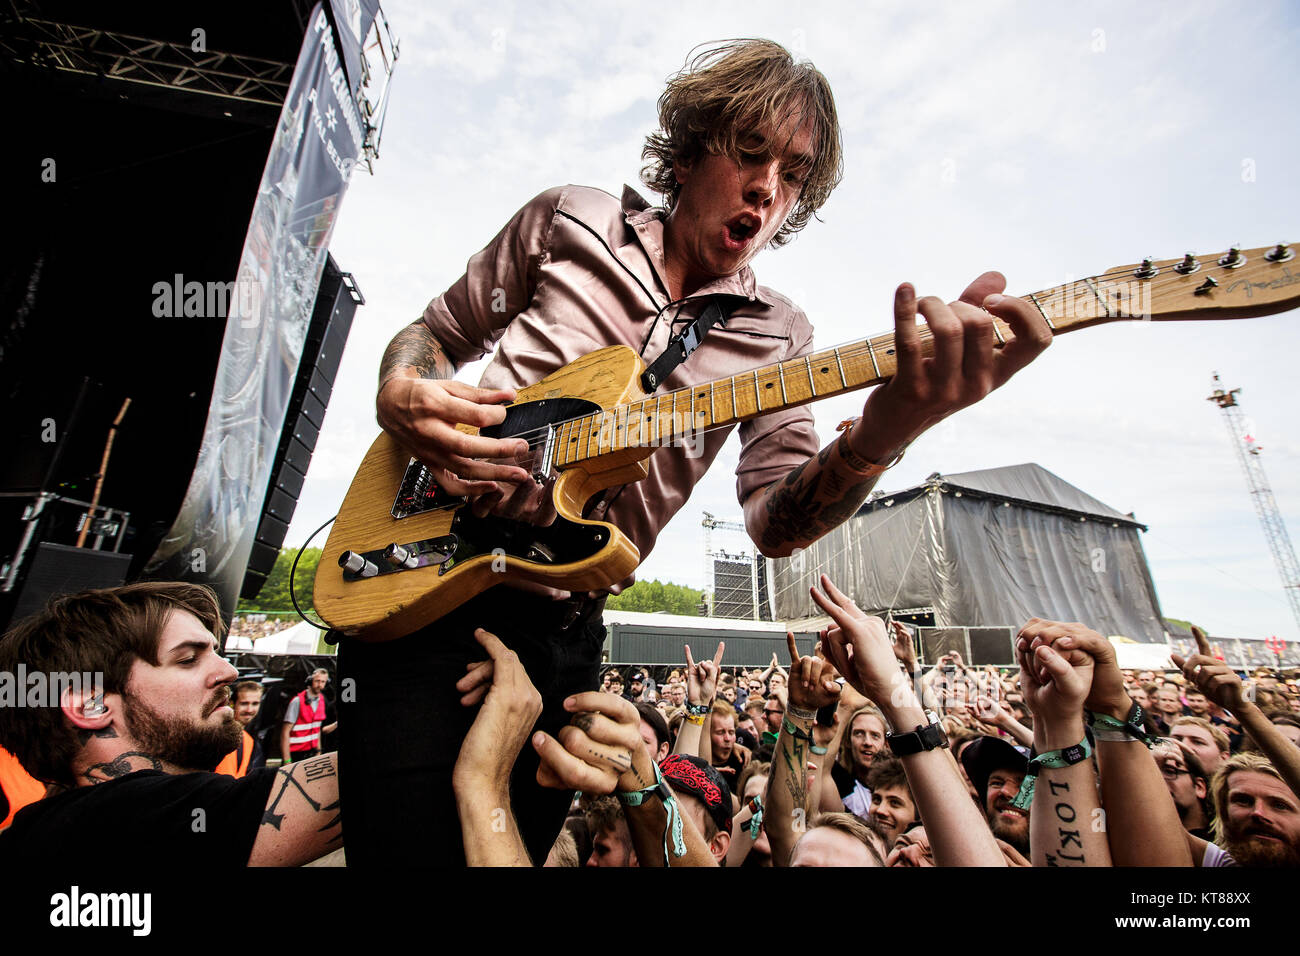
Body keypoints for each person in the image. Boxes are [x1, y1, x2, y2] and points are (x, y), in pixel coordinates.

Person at [343, 36, 1052, 866]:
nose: (768, 187)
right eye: (750, 153)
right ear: (686, 153)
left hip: (557, 619)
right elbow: (435, 332)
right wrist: (401, 390)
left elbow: (775, 523)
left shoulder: (781, 335)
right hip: (421, 555)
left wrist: (891, 427)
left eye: (794, 174)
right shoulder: (571, 219)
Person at [0, 583, 341, 866]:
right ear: (91, 705)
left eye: (215, 652)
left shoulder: (46, 832)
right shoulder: (116, 820)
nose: (229, 672)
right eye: (188, 659)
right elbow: (376, 772)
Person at [281, 669, 333, 765]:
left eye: (323, 682)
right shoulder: (297, 701)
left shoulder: (322, 700)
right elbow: (285, 732)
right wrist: (287, 760)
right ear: (310, 681)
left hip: (312, 753)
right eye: (317, 681)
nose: (320, 685)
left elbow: (317, 729)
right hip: (295, 754)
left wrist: (319, 752)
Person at [215, 680, 265, 778]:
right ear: (232, 704)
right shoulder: (216, 733)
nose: (249, 710)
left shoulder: (249, 740)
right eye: (244, 703)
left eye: (255, 704)